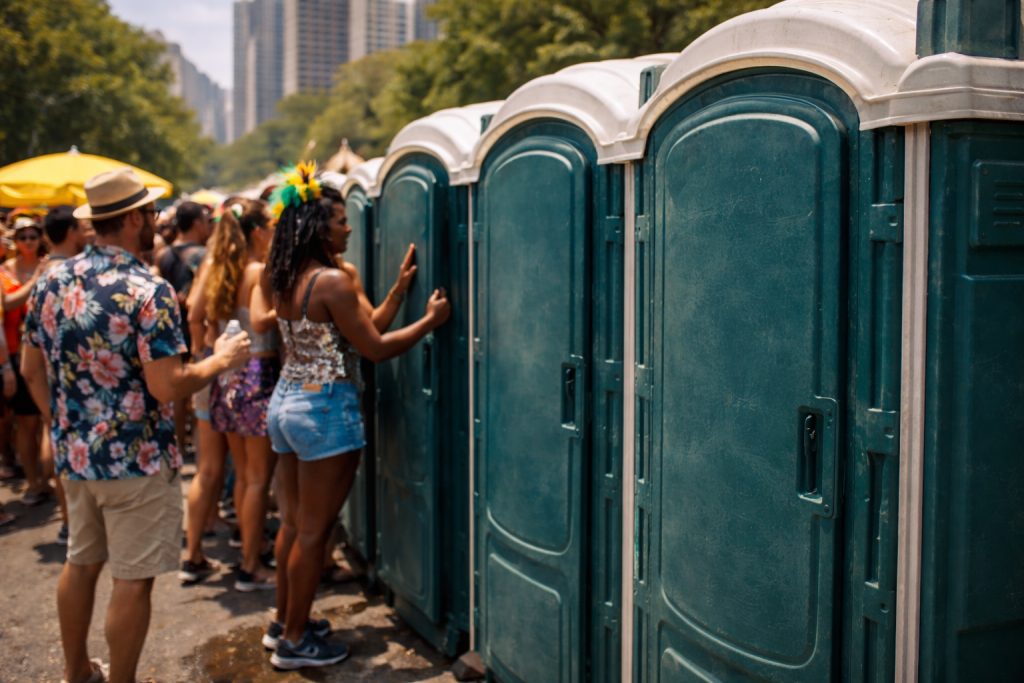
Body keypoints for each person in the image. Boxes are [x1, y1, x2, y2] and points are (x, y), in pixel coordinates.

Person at [20, 168, 251, 683]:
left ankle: (77, 671)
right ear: (129, 220)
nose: (153, 220)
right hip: (136, 458)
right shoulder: (149, 290)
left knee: (80, 562)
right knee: (132, 578)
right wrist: (221, 359)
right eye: (148, 213)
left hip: (76, 456)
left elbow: (30, 371)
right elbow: (167, 386)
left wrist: (61, 424)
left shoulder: (52, 279)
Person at [260, 163, 449, 670]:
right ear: (318, 228)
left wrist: (396, 294)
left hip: (286, 405)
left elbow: (355, 330)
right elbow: (376, 348)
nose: (347, 228)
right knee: (313, 533)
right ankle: (296, 642)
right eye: (340, 220)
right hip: (324, 412)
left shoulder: (280, 275)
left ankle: (283, 622)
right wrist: (430, 323)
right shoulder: (332, 283)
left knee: (295, 524)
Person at [194, 198, 279, 591]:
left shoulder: (220, 270)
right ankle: (250, 564)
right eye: (272, 227)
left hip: (227, 379)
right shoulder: (257, 271)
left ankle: (249, 554)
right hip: (256, 376)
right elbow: (261, 319)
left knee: (245, 477)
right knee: (257, 479)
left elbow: (200, 317)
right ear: (258, 232)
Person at [31, 206, 95, 544]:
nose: (87, 233)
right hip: (68, 377)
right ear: (70, 231)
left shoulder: (45, 275)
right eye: (82, 227)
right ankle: (71, 520)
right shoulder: (71, 275)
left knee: (53, 439)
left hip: (50, 371)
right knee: (57, 444)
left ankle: (69, 521)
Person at [1, 216, 50, 506]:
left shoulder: (50, 265)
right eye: (22, 237)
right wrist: (34, 282)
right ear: (15, 241)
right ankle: (34, 482)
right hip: (18, 353)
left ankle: (47, 479)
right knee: (27, 423)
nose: (28, 241)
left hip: (46, 352)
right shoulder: (5, 271)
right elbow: (5, 304)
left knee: (47, 421)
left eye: (33, 236)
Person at [156, 201, 210, 457]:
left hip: (170, 327)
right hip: (196, 327)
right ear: (197, 223)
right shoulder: (202, 255)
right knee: (198, 386)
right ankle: (202, 447)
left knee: (177, 392)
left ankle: (176, 446)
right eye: (206, 221)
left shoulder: (164, 254)